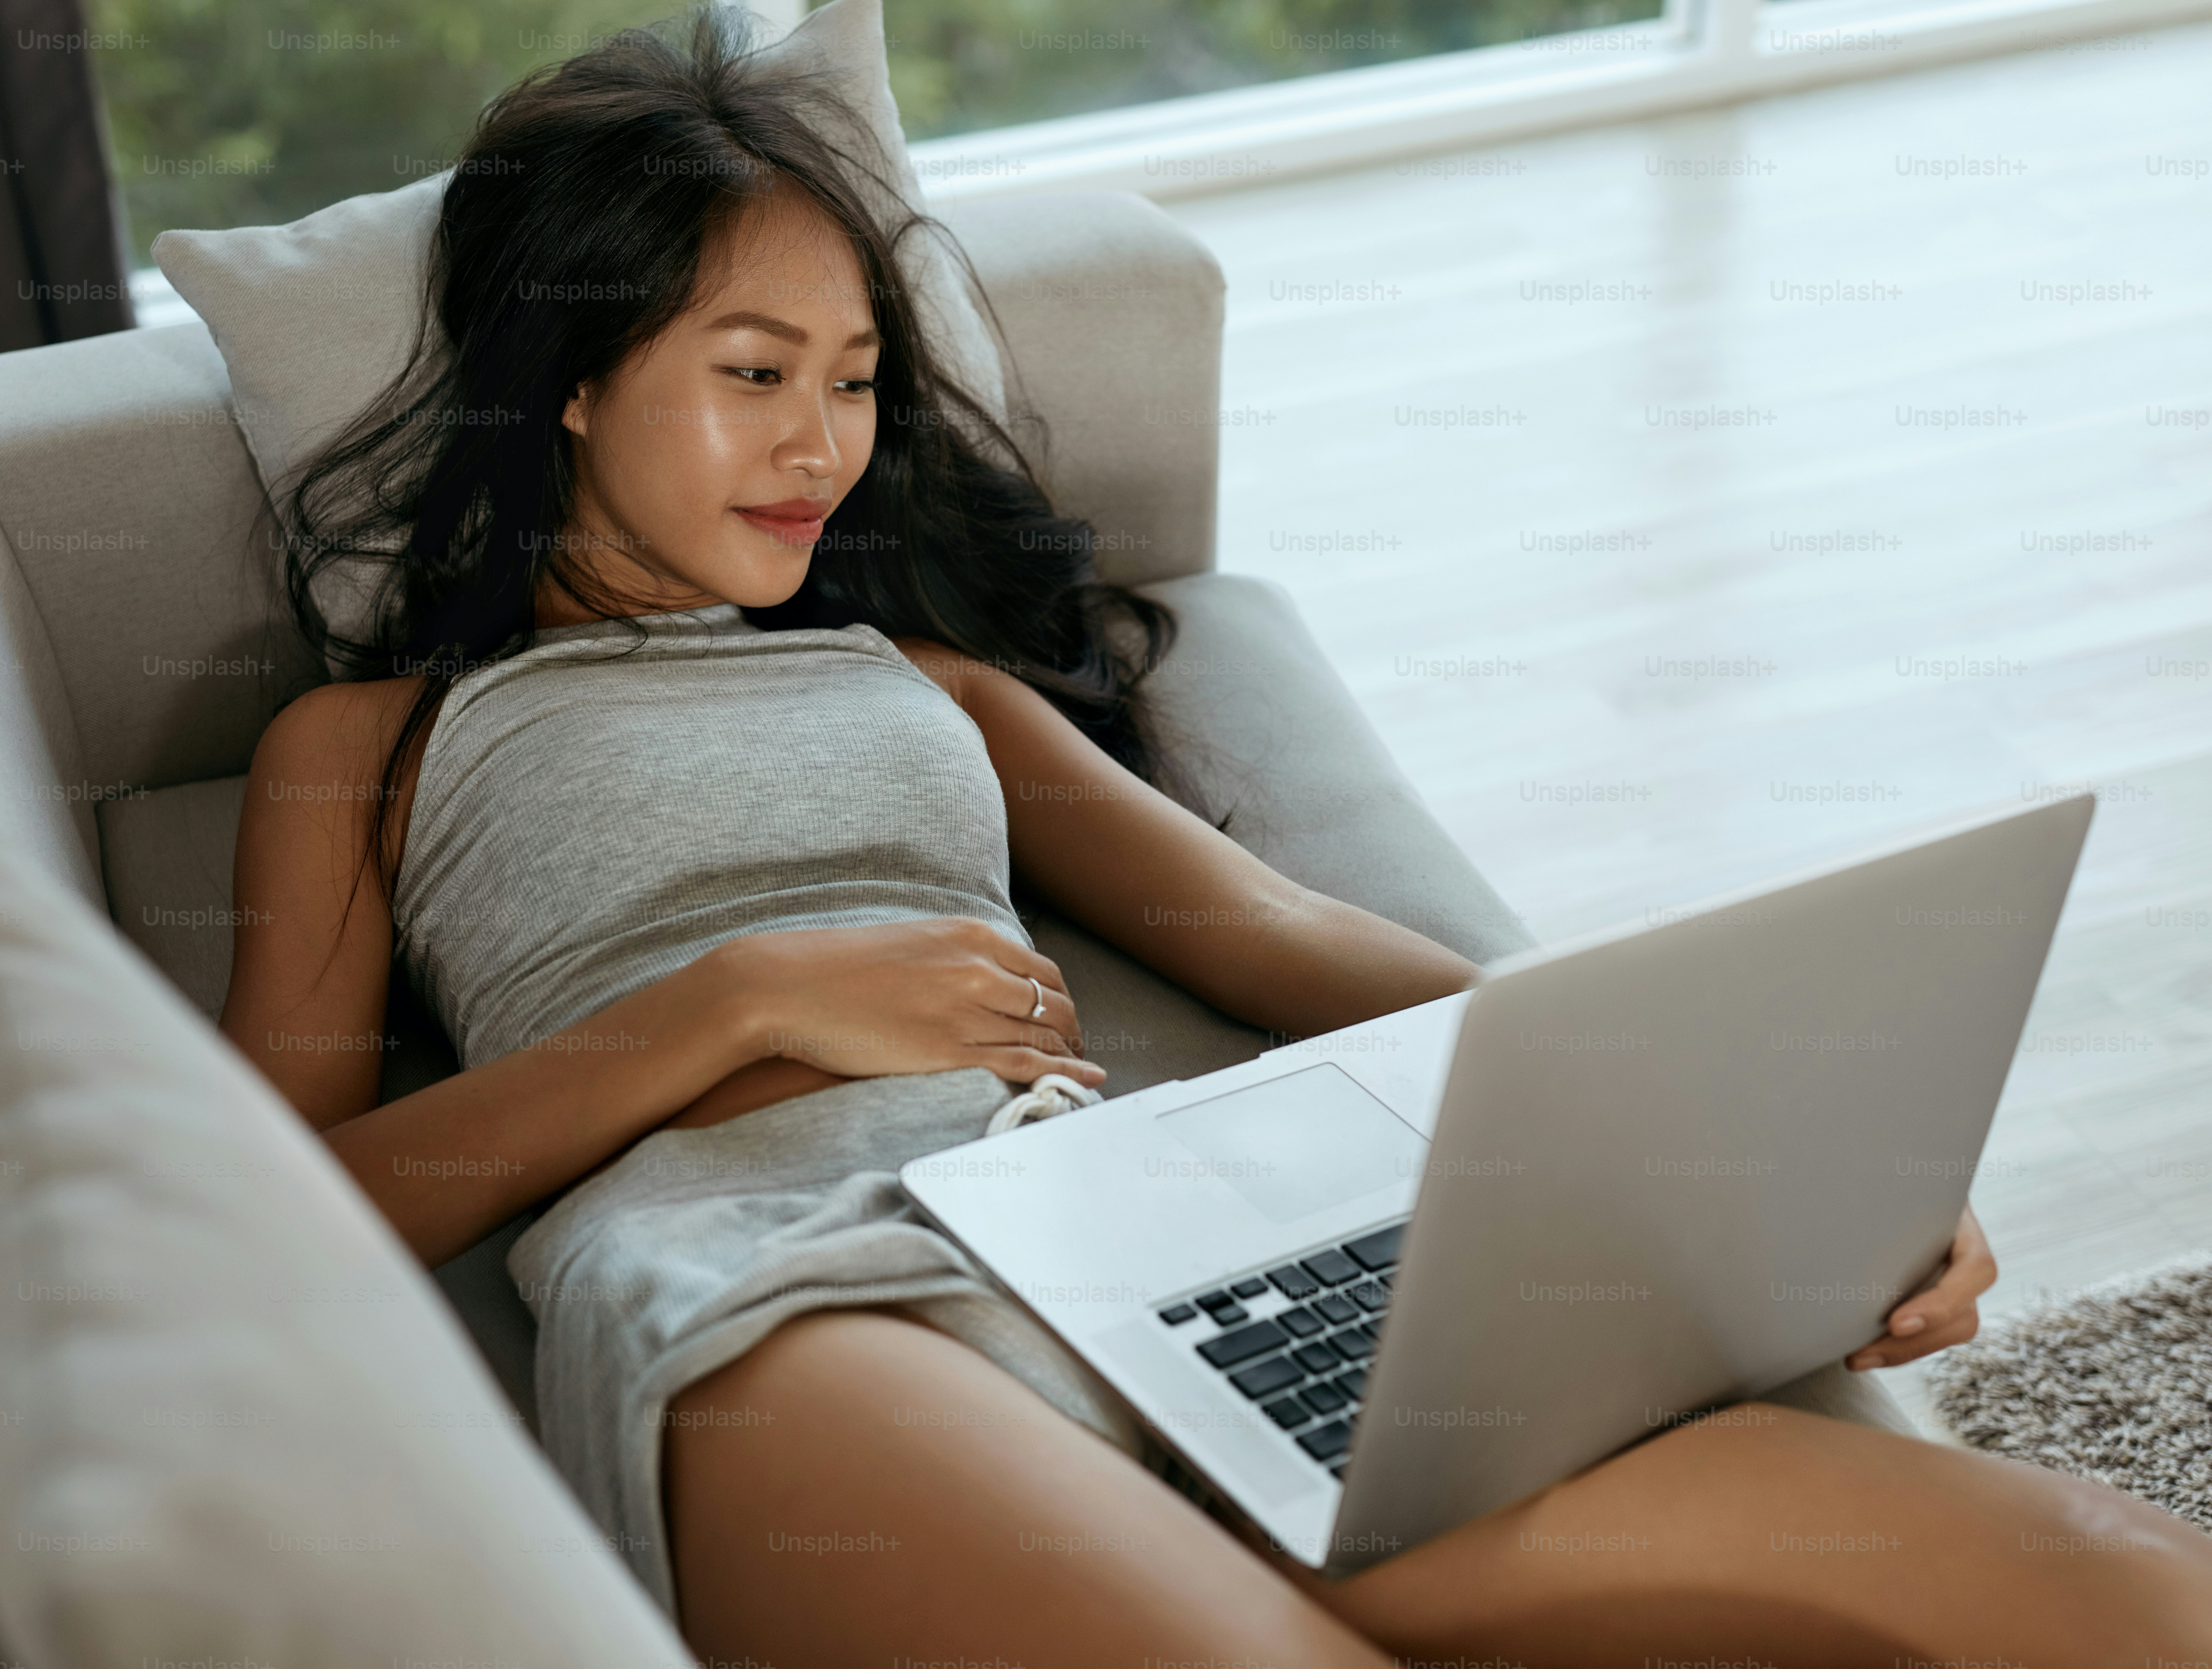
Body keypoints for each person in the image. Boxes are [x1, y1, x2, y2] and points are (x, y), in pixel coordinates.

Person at [217, 10, 2212, 1664]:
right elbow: (274, 1214)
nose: (822, 445)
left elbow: (1276, 934)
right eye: (752, 378)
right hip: (783, 1303)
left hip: (1135, 1246)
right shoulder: (373, 745)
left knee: (2105, 1582)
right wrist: (738, 1003)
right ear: (569, 383)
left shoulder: (926, 681)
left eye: (851, 380)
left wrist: (1753, 1144)